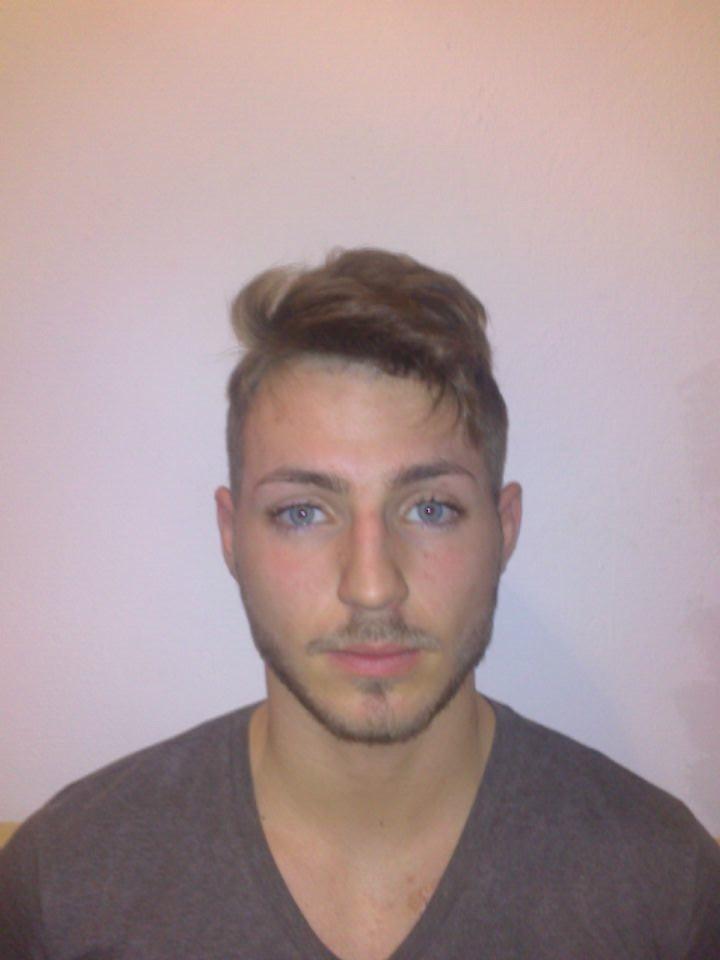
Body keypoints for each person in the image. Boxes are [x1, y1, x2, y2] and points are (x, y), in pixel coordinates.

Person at [1, 249, 718, 959]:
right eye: (303, 512)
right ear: (231, 536)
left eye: (431, 508)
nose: (372, 586)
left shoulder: (665, 890)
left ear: (504, 531)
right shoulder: (64, 887)